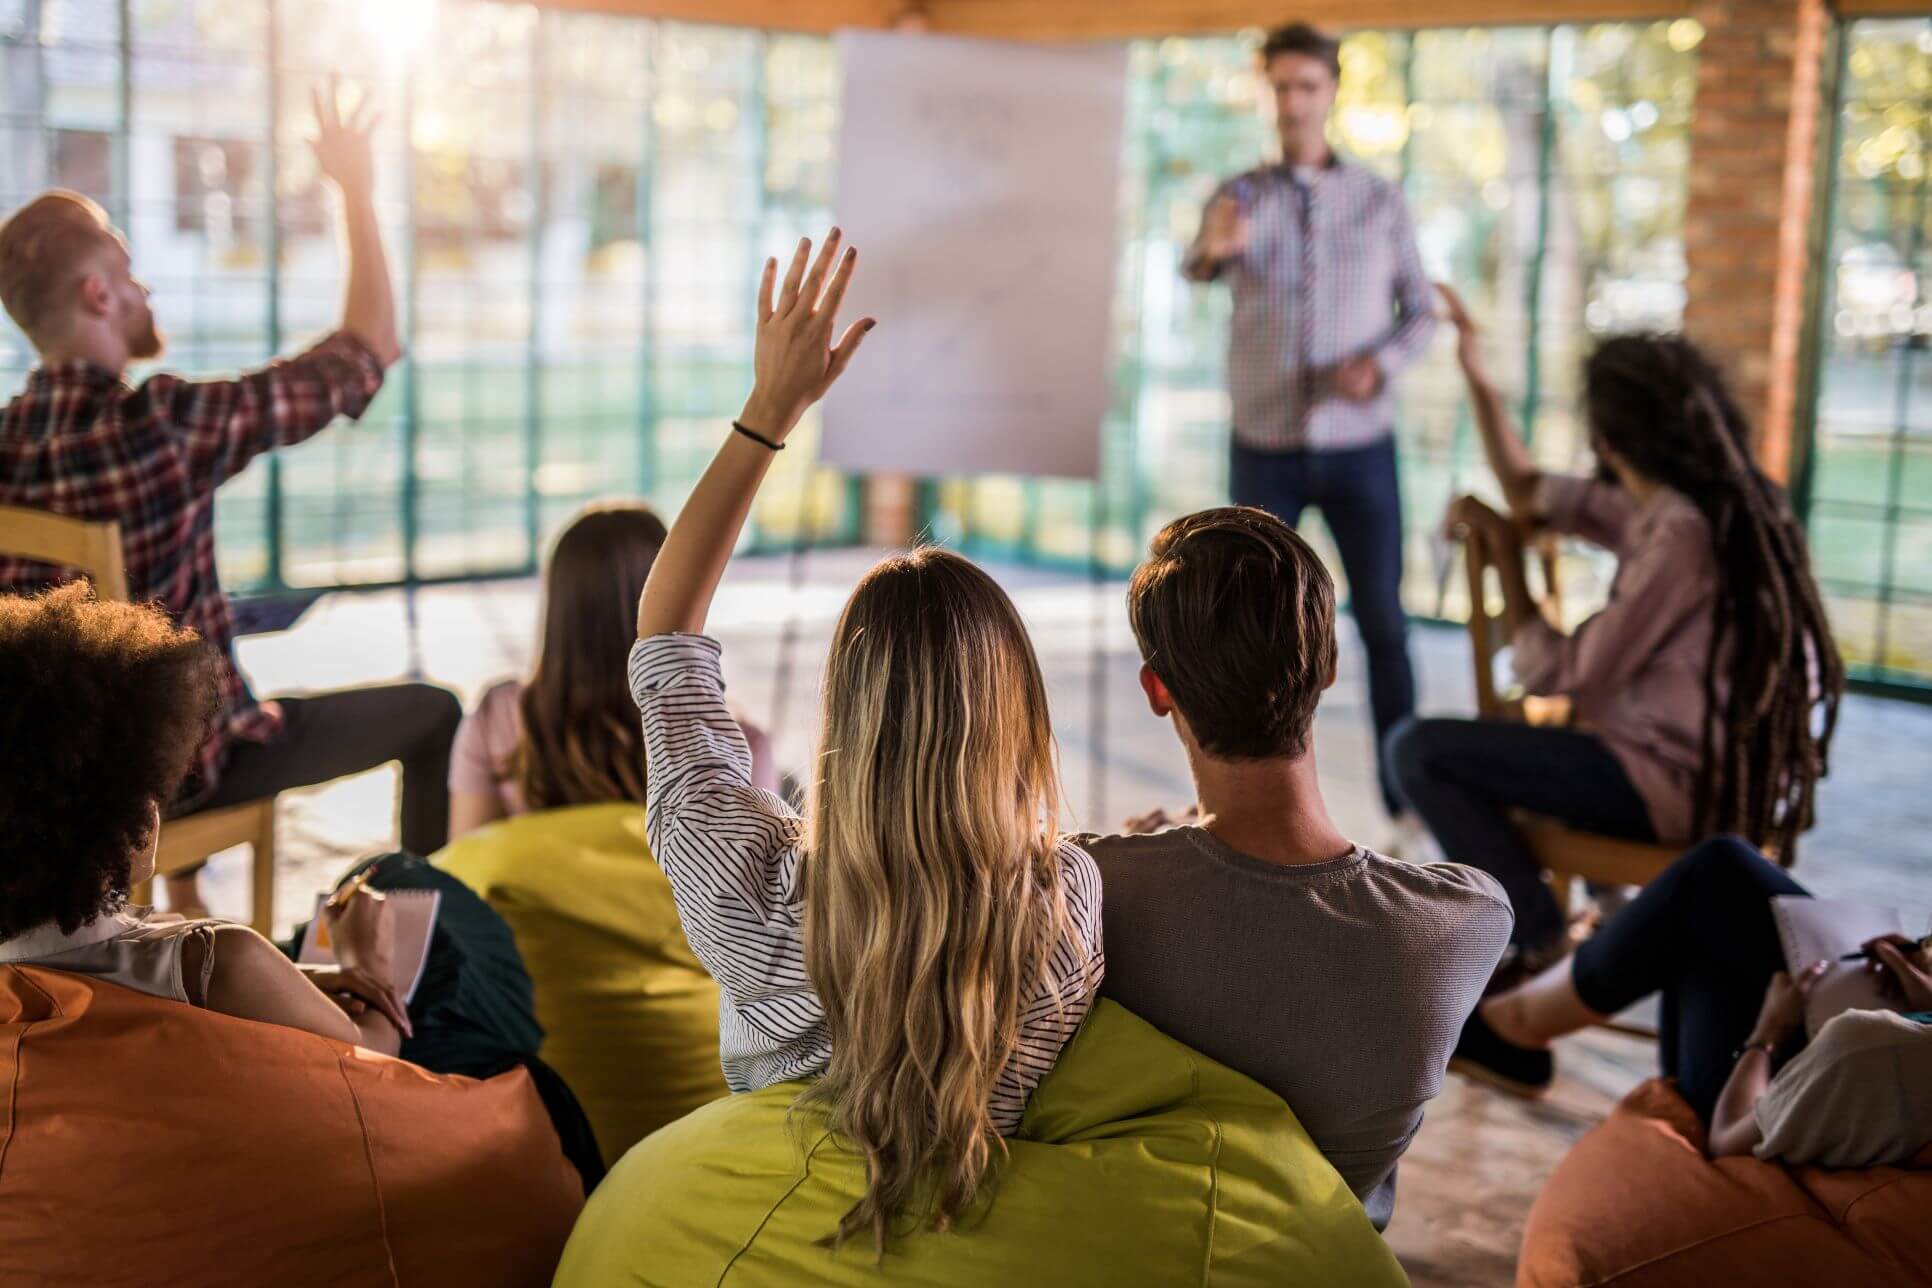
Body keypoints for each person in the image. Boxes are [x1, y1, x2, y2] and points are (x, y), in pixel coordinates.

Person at [629, 229, 1103, 1253]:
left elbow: (665, 636)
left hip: (765, 1229)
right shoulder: (1063, 895)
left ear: (847, 709)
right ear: (1016, 717)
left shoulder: (739, 881)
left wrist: (769, 412)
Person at [0, 82, 459, 915]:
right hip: (179, 778)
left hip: (45, 793)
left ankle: (185, 902)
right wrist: (354, 186)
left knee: (178, 651)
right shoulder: (162, 425)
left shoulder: (5, 443)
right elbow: (367, 349)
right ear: (99, 295)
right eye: (130, 275)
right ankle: (425, 954)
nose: (146, 294)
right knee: (435, 713)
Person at [0, 583, 602, 1186]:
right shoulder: (218, 959)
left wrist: (302, 978)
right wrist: (367, 964)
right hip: (334, 1150)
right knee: (432, 925)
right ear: (139, 830)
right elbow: (370, 1057)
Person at [1075, 506, 1512, 1230]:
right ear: (1331, 664)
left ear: (1158, 691)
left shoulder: (1092, 891)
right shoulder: (1465, 923)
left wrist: (1139, 850)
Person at [1388, 286, 1844, 973]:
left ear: (1606, 439)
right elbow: (1527, 487)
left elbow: (1560, 673)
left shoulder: (1679, 536)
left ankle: (1540, 939)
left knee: (1419, 750)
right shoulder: (1701, 508)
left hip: (1671, 786)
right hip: (1697, 774)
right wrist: (1475, 371)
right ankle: (1578, 930)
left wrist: (1508, 560)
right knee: (1478, 748)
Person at [1183, 22, 1437, 838]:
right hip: (1264, 445)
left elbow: (1423, 314)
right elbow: (1196, 266)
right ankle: (1248, 806)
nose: (1293, 103)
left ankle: (1409, 807)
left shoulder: (1380, 200)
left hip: (1361, 446)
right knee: (1249, 624)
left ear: (1331, 93)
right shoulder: (1235, 196)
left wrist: (1381, 363)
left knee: (1385, 624)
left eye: (1307, 87)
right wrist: (1209, 249)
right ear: (1266, 93)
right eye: (1280, 87)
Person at [1454, 835, 1932, 1169]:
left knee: (1710, 888)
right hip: (1878, 1043)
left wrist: (1769, 1033)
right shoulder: (1884, 1047)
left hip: (1757, 1090)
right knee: (1716, 885)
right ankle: (1515, 1017)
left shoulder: (1869, 1046)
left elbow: (1732, 1140)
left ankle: (1512, 1022)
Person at [447, 501, 777, 839]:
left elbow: (467, 867)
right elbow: (752, 884)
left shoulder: (496, 717)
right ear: (678, 597)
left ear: (560, 605)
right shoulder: (738, 745)